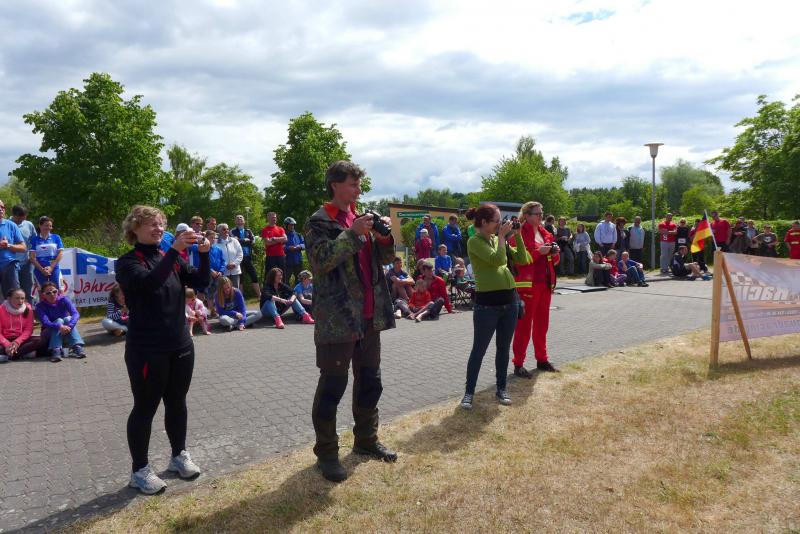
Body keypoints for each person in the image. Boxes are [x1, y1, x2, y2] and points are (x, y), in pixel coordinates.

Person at [306, 160, 398, 483]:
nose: (358, 189)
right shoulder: (319, 221)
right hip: (338, 319)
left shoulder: (360, 218)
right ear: (335, 185)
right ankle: (327, 453)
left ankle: (366, 440)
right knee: (333, 386)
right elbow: (321, 261)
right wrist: (353, 233)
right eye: (353, 184)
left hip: (370, 316)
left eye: (359, 184)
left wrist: (383, 238)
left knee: (371, 381)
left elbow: (385, 259)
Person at [115, 204, 211, 495]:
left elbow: (201, 282)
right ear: (135, 229)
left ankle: (178, 455)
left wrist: (204, 254)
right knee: (145, 408)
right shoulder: (127, 262)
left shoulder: (171, 258)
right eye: (151, 224)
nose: (158, 229)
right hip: (147, 349)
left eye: (161, 224)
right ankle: (140, 470)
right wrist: (174, 251)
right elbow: (150, 284)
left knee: (177, 402)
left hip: (180, 344)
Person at [460, 204, 530, 409]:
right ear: (484, 222)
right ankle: (469, 393)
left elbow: (523, 258)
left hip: (510, 303)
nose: (501, 224)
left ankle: (501, 388)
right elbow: (497, 260)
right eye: (497, 221)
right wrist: (501, 237)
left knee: (503, 349)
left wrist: (517, 236)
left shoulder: (496, 239)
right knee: (479, 350)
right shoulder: (474, 241)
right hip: (487, 307)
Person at [510, 201, 560, 378]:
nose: (540, 216)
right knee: (523, 327)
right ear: (527, 215)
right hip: (527, 286)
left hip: (545, 284)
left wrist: (554, 253)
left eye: (541, 213)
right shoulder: (518, 234)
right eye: (537, 214)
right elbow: (518, 260)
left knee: (542, 325)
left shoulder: (545, 233)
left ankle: (542, 359)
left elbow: (554, 261)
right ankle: (518, 363)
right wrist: (540, 252)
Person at [35, 281, 86, 362]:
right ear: (43, 295)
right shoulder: (39, 306)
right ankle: (56, 350)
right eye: (48, 293)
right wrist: (59, 326)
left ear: (57, 291)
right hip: (48, 334)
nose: (52, 294)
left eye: (54, 291)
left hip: (65, 331)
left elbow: (75, 314)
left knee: (68, 319)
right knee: (59, 321)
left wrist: (69, 326)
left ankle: (77, 347)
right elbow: (46, 322)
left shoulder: (64, 299)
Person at [0, 288, 40, 362]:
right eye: (17, 298)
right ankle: (22, 354)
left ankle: (9, 356)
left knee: (40, 340)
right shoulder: (1, 309)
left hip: (21, 340)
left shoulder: (28, 308)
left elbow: (28, 330)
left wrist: (17, 342)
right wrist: (7, 344)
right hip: (4, 340)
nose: (20, 301)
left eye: (22, 298)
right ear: (9, 299)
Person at [0, 199, 27, 299]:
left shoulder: (11, 225)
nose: (1, 209)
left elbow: (23, 247)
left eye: (2, 207)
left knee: (15, 297)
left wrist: (8, 246)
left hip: (9, 266)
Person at [30, 216, 65, 290]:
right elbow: (32, 257)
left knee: (59, 290)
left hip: (54, 268)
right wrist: (42, 270)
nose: (48, 228)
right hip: (40, 269)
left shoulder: (56, 237)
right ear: (40, 225)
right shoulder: (34, 239)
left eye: (50, 226)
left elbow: (60, 253)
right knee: (42, 292)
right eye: (46, 225)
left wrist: (51, 267)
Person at [10, 206, 36, 304]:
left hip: (27, 263)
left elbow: (34, 242)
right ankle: (14, 312)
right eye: (19, 218)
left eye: (23, 218)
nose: (21, 221)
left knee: (28, 290)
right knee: (14, 291)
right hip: (11, 264)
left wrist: (31, 255)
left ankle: (28, 311)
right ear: (13, 214)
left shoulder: (29, 225)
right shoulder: (6, 224)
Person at [231, 214, 261, 299]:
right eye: (237, 218)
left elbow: (253, 241)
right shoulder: (232, 231)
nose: (239, 219)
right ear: (235, 221)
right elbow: (234, 241)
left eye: (241, 218)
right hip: (238, 258)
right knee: (240, 278)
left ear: (244, 221)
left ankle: (260, 296)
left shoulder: (248, 231)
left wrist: (241, 240)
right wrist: (245, 240)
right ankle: (241, 298)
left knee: (254, 275)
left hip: (248, 257)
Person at [216, 224, 243, 289]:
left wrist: (234, 264)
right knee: (224, 291)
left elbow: (240, 254)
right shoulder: (215, 243)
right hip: (223, 272)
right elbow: (216, 257)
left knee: (235, 290)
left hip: (235, 270)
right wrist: (225, 265)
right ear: (219, 231)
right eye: (224, 229)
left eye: (227, 229)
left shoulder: (235, 241)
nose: (226, 231)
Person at [261, 212, 288, 279]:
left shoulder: (280, 229)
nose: (274, 219)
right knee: (269, 274)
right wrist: (280, 240)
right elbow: (267, 243)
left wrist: (274, 238)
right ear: (268, 218)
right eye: (273, 217)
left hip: (281, 255)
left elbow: (285, 239)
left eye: (275, 217)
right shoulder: (265, 229)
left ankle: (282, 285)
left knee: (282, 274)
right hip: (270, 256)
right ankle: (268, 286)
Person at [284, 217, 305, 287]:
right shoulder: (284, 235)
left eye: (293, 225)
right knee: (286, 279)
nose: (292, 226)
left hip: (298, 260)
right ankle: (286, 292)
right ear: (286, 226)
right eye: (290, 225)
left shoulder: (298, 235)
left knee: (299, 279)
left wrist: (300, 246)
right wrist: (289, 248)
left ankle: (298, 292)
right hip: (287, 261)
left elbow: (304, 244)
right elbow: (281, 247)